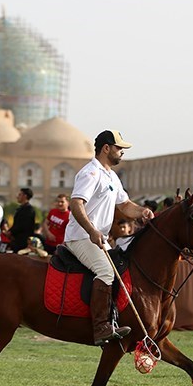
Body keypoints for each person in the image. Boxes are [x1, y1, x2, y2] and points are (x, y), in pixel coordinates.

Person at [64, 129, 154, 346]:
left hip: (98, 238)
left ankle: (114, 319)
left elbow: (125, 205)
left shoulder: (111, 176)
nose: (122, 152)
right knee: (105, 271)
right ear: (106, 148)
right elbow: (76, 204)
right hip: (81, 237)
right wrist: (91, 230)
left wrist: (142, 211)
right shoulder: (91, 173)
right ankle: (101, 327)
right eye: (119, 148)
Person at [10, 187, 36, 253]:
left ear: (25, 196)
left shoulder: (29, 210)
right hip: (16, 241)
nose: (17, 196)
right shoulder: (20, 208)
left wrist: (11, 232)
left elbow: (22, 225)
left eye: (20, 194)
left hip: (23, 242)